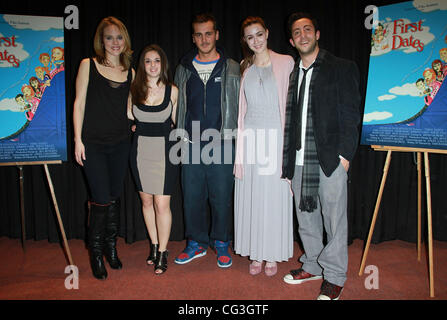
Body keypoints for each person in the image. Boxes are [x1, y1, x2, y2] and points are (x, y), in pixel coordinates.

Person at [281, 12, 361, 300]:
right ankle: (313, 264)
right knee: (306, 219)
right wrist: (288, 164)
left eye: (307, 29)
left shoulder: (341, 67)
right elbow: (291, 122)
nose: (302, 35)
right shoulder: (293, 74)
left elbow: (351, 115)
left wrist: (344, 155)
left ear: (317, 34)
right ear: (292, 40)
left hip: (329, 158)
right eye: (297, 32)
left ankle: (335, 275)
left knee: (334, 221)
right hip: (300, 160)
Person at [173, 13, 240, 268]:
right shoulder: (183, 68)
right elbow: (177, 105)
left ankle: (221, 242)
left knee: (221, 196)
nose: (204, 39)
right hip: (190, 143)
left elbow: (240, 104)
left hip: (221, 141)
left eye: (208, 33)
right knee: (192, 195)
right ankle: (196, 243)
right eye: (199, 34)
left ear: (217, 35)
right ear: (194, 37)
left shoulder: (232, 67)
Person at [73, 16, 134, 280]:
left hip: (121, 143)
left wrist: (136, 123)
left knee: (113, 196)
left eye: (119, 37)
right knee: (100, 199)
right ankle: (95, 252)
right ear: (101, 40)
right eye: (109, 37)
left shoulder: (131, 71)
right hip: (94, 145)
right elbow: (79, 103)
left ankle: (111, 247)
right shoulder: (89, 64)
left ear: (125, 40)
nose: (114, 42)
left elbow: (132, 108)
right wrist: (77, 139)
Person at [233, 16, 294, 276]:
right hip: (251, 139)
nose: (255, 40)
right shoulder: (244, 68)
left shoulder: (286, 62)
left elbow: (292, 105)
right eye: (250, 36)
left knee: (273, 198)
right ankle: (256, 253)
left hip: (276, 138)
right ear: (245, 41)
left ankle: (272, 254)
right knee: (253, 197)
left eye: (259, 34)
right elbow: (241, 111)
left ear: (267, 34)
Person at [129, 44, 179, 275]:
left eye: (156, 60)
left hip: (165, 152)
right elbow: (130, 116)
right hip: (139, 152)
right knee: (146, 202)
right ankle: (154, 245)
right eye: (148, 61)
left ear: (163, 64)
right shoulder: (134, 90)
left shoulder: (173, 91)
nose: (152, 65)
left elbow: (178, 123)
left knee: (161, 204)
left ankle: (163, 252)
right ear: (142, 65)